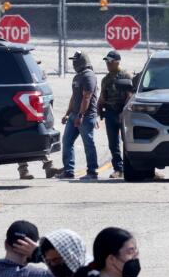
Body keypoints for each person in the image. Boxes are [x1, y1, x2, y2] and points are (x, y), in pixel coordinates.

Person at [57, 51, 101, 180]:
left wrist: (80, 116)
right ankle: (68, 171)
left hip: (85, 117)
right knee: (67, 141)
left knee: (88, 143)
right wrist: (68, 113)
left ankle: (92, 172)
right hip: (74, 115)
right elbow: (74, 97)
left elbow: (86, 97)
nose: (74, 63)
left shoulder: (89, 76)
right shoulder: (77, 77)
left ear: (83, 61)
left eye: (76, 60)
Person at [100, 50, 136, 180]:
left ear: (116, 62)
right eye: (106, 62)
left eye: (109, 62)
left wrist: (124, 112)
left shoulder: (126, 76)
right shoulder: (106, 79)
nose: (107, 64)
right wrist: (100, 110)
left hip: (123, 112)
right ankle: (118, 168)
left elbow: (130, 96)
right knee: (113, 143)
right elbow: (103, 97)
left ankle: (133, 167)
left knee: (127, 140)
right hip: (110, 112)